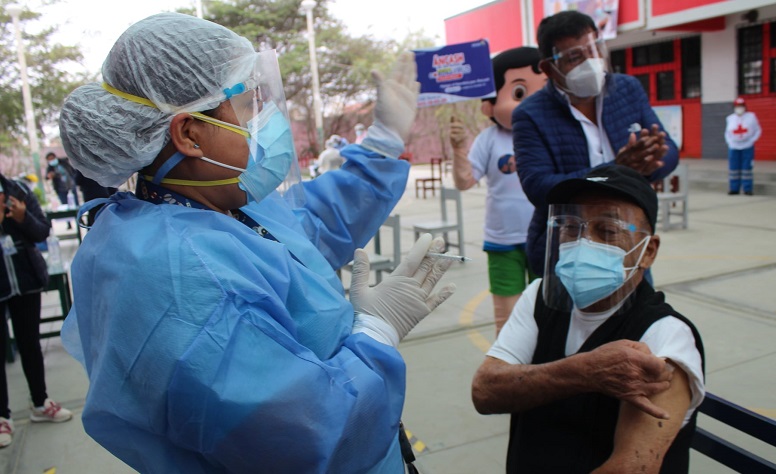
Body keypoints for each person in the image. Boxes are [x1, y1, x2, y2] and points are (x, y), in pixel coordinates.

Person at [58, 13, 455, 473]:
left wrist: (382, 143)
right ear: (188, 133)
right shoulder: (181, 277)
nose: (265, 119)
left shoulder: (216, 205)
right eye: (247, 104)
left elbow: (310, 228)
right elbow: (305, 434)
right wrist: (377, 334)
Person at [472, 165, 705, 473]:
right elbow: (485, 392)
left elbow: (631, 467)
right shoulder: (540, 296)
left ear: (648, 251)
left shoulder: (666, 336)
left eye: (607, 231)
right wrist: (583, 371)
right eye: (570, 227)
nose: (583, 243)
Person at [513, 10, 679, 276]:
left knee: (634, 315)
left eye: (595, 48)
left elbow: (669, 150)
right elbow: (538, 186)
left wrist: (653, 160)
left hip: (627, 238)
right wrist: (616, 170)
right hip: (567, 249)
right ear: (548, 68)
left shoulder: (627, 89)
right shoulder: (530, 114)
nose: (591, 61)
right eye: (575, 57)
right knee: (568, 316)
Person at [449, 47, 546, 335]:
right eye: (518, 93)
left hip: (546, 237)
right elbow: (464, 181)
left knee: (547, 311)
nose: (531, 102)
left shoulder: (551, 132)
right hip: (503, 241)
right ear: (490, 105)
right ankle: (511, 374)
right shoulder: (489, 139)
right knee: (508, 319)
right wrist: (458, 150)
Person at [0, 173, 73, 449]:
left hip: (26, 280)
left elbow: (42, 230)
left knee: (30, 343)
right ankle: (2, 416)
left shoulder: (17, 190)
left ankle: (41, 402)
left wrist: (21, 217)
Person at [724, 97, 761, 196]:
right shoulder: (730, 118)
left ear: (745, 107)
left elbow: (757, 130)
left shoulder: (751, 117)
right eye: (737, 106)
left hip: (747, 146)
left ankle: (747, 188)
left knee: (747, 168)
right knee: (733, 168)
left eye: (741, 106)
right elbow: (727, 133)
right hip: (734, 147)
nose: (739, 108)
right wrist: (730, 142)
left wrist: (752, 140)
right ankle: (734, 188)